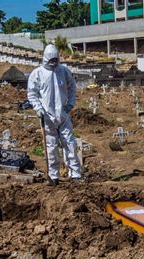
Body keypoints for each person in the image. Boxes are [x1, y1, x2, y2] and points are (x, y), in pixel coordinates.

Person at [28, 44, 82, 185]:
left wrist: (70, 103)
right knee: (51, 148)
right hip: (47, 117)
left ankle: (75, 174)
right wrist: (38, 109)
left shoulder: (64, 71)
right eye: (51, 59)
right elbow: (32, 94)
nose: (53, 62)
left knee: (70, 144)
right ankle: (53, 176)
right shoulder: (37, 74)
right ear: (45, 58)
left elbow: (72, 88)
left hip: (63, 115)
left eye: (55, 59)